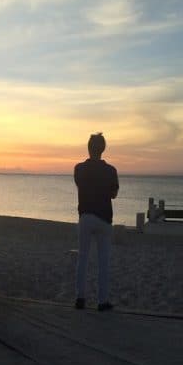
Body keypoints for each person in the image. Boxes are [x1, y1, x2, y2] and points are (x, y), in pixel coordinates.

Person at [74, 132, 119, 311]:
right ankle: (102, 301)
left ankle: (80, 298)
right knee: (103, 261)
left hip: (85, 216)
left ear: (89, 147)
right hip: (104, 218)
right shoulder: (111, 170)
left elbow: (80, 186)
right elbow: (114, 194)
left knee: (82, 258)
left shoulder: (79, 169)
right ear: (103, 149)